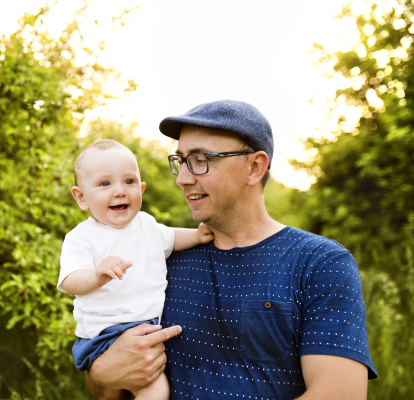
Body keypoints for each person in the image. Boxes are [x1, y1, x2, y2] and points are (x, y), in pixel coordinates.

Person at [85, 100, 377, 400]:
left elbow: (341, 394)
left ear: (254, 167)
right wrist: (103, 374)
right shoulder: (158, 260)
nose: (182, 178)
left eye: (200, 160)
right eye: (180, 160)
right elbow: (110, 385)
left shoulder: (320, 264)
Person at [58, 139, 214, 399]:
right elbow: (71, 280)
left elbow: (172, 237)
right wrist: (97, 275)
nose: (120, 191)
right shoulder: (82, 237)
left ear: (141, 188)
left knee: (156, 386)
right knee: (156, 388)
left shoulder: (147, 225)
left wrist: (197, 236)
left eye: (129, 182)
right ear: (81, 197)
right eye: (105, 184)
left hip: (146, 329)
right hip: (105, 334)